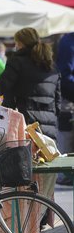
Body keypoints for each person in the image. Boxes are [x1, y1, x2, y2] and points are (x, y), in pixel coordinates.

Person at [0, 27, 61, 140]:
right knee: (47, 156)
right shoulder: (51, 66)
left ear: (20, 43)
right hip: (49, 126)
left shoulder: (17, 61)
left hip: (24, 124)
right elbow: (58, 102)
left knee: (24, 157)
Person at [56, 32, 74, 185]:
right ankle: (65, 174)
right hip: (68, 99)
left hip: (68, 97)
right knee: (66, 134)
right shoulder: (68, 42)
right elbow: (65, 77)